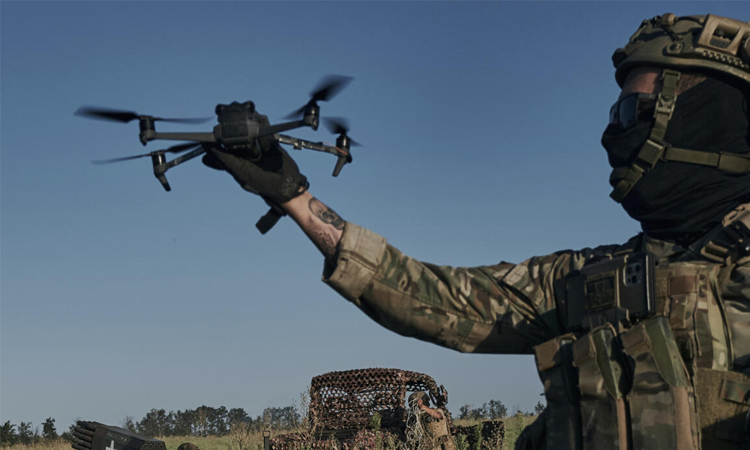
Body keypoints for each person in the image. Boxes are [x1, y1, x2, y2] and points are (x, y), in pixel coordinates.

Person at [202, 13, 750, 450]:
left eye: (632, 112)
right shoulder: (597, 281)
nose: (613, 134)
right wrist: (292, 195)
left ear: (709, 117)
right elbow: (430, 297)